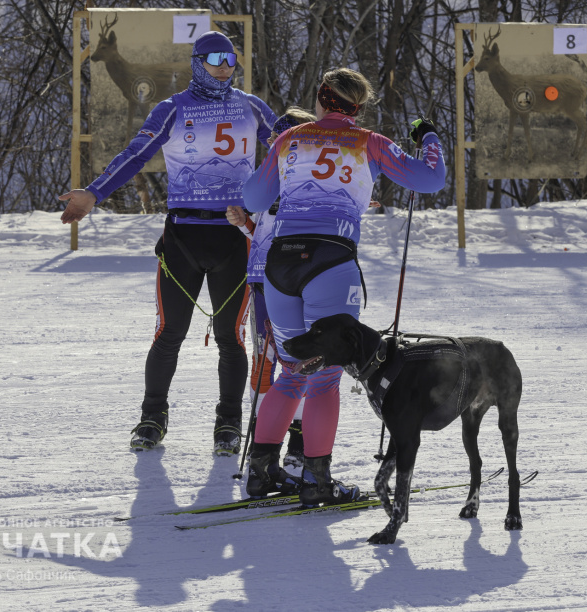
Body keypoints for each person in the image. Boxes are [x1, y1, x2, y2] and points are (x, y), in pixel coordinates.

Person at [59, 31, 277, 456]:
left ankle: (228, 423)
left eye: (231, 58)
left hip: (236, 235)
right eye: (215, 58)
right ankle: (152, 417)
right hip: (183, 236)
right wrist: (94, 193)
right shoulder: (173, 108)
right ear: (197, 61)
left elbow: (296, 146)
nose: (225, 66)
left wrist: (338, 183)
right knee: (169, 332)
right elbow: (136, 154)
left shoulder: (251, 106)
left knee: (231, 336)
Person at [240, 68, 446, 504]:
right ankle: (317, 482)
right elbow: (431, 179)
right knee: (324, 376)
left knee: (291, 371)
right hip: (330, 261)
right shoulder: (369, 142)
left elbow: (253, 199)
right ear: (358, 107)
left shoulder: (290, 138)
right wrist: (427, 136)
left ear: (320, 100)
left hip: (281, 260)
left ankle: (260, 473)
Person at [226, 107, 317, 476]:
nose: (275, 147)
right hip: (261, 279)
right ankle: (264, 447)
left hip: (296, 281)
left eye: (282, 140)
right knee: (263, 360)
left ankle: (298, 443)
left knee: (299, 361)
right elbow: (262, 231)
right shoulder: (268, 178)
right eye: (274, 141)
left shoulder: (315, 177)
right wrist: (244, 224)